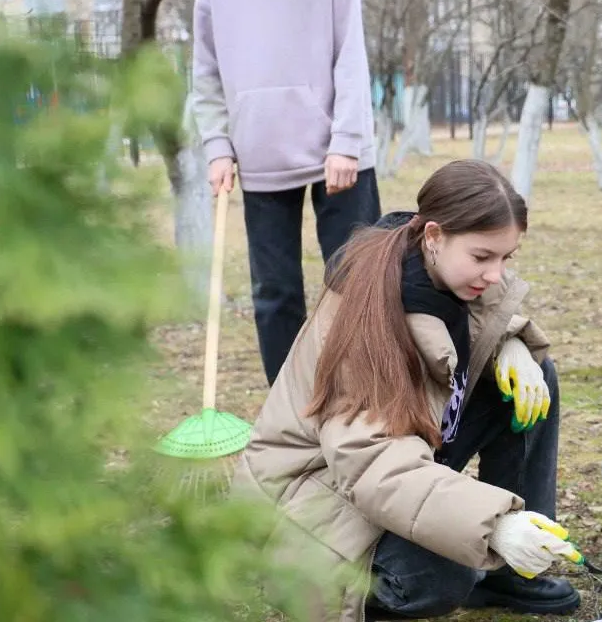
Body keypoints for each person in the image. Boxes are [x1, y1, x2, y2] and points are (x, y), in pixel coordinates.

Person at [231, 160, 583, 621]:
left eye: (505, 257)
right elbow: (372, 462)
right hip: (316, 499)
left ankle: (513, 572)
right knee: (440, 573)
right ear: (434, 236)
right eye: (482, 257)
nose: (495, 274)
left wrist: (512, 343)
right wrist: (494, 525)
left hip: (403, 454)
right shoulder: (370, 319)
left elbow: (485, 316)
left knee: (539, 380)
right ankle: (378, 594)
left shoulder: (435, 268)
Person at [192, 0, 381, 386]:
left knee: (356, 285)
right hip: (260, 153)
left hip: (337, 154)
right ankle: (288, 413)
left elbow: (350, 56)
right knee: (274, 294)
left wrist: (347, 141)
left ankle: (361, 400)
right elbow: (206, 66)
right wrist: (217, 145)